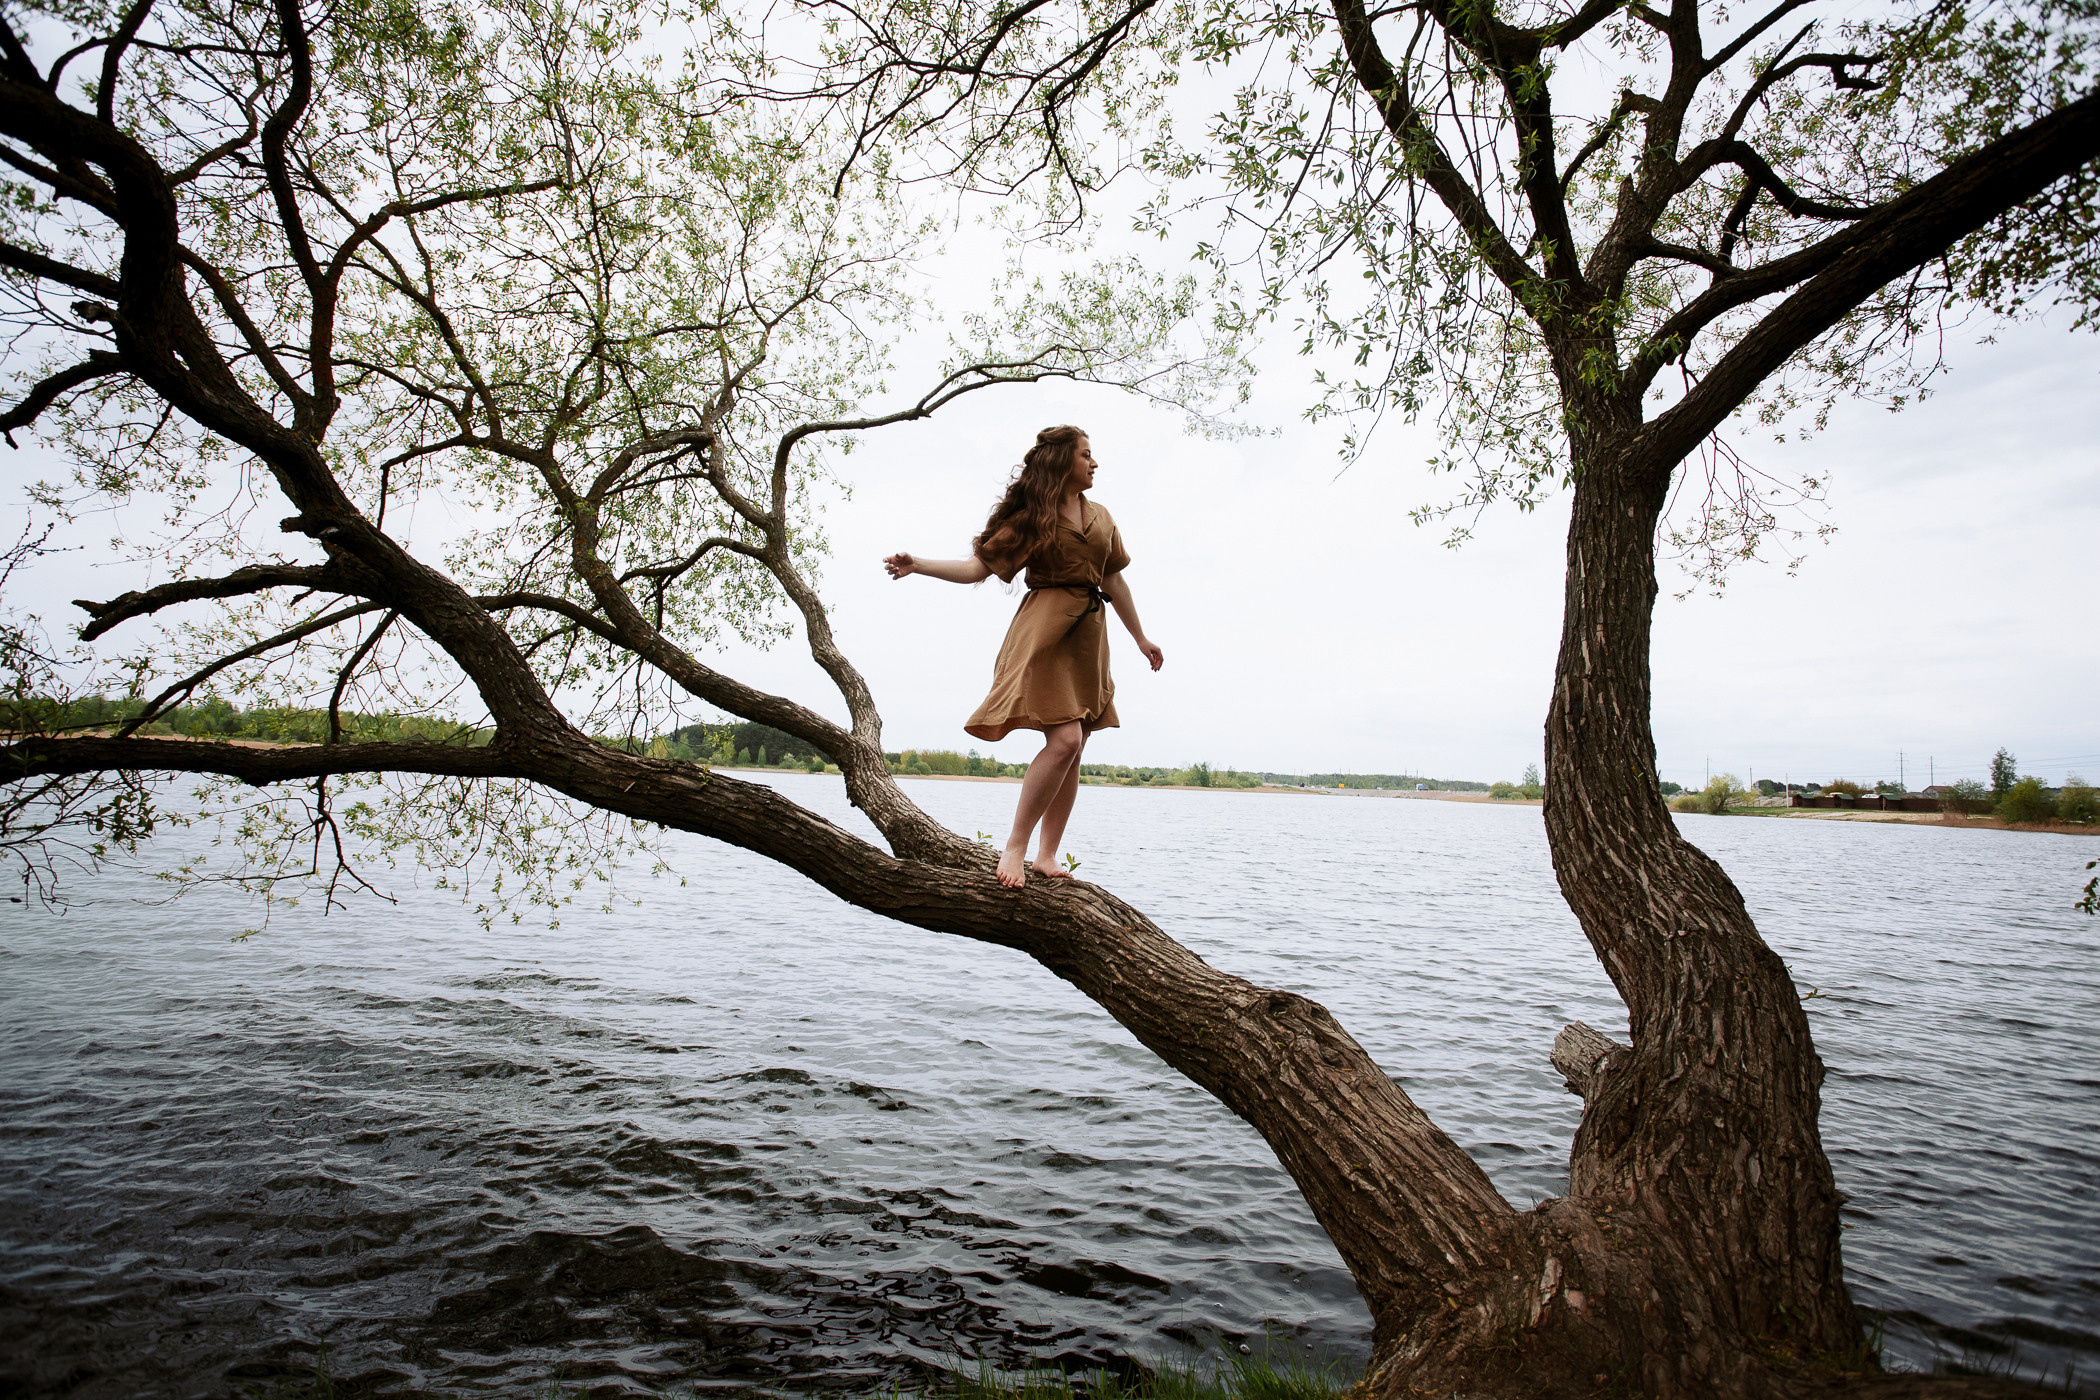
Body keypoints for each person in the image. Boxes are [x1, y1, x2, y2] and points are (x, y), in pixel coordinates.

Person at [883, 425, 1163, 888]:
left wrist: (1141, 639)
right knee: (1066, 741)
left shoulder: (1103, 518)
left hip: (1089, 636)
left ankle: (1046, 855)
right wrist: (919, 566)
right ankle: (1015, 847)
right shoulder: (1034, 516)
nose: (1094, 463)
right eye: (1086, 455)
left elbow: (1113, 582)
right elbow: (976, 568)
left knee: (1075, 750)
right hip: (1045, 631)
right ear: (1062, 461)